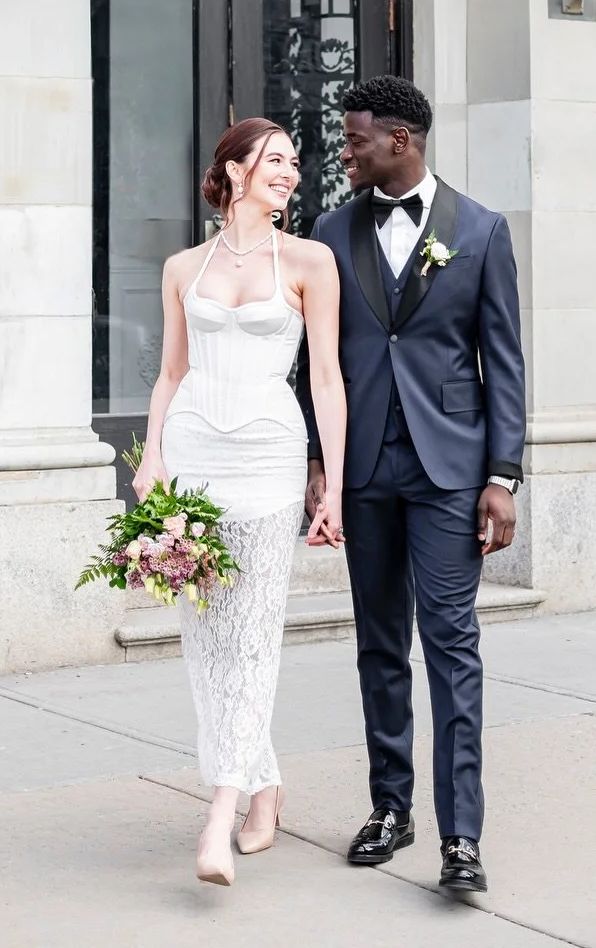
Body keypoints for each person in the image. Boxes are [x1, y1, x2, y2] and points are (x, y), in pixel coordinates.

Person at [301, 75, 526, 897]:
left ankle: (460, 836)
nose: (345, 151)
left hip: (449, 474)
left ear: (401, 141)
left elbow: (502, 362)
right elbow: (312, 359)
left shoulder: (481, 230)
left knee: (451, 644)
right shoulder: (329, 229)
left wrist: (502, 477)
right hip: (364, 469)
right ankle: (389, 809)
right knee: (377, 645)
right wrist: (320, 462)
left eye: (356, 139)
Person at [135, 118, 346, 887]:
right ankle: (265, 791)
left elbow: (326, 379)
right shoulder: (182, 266)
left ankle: (219, 816)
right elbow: (169, 373)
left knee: (254, 636)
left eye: (295, 162)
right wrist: (152, 456)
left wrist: (338, 488)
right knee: (208, 641)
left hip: (267, 459)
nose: (290, 172)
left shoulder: (310, 261)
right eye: (275, 160)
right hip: (193, 457)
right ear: (232, 171)